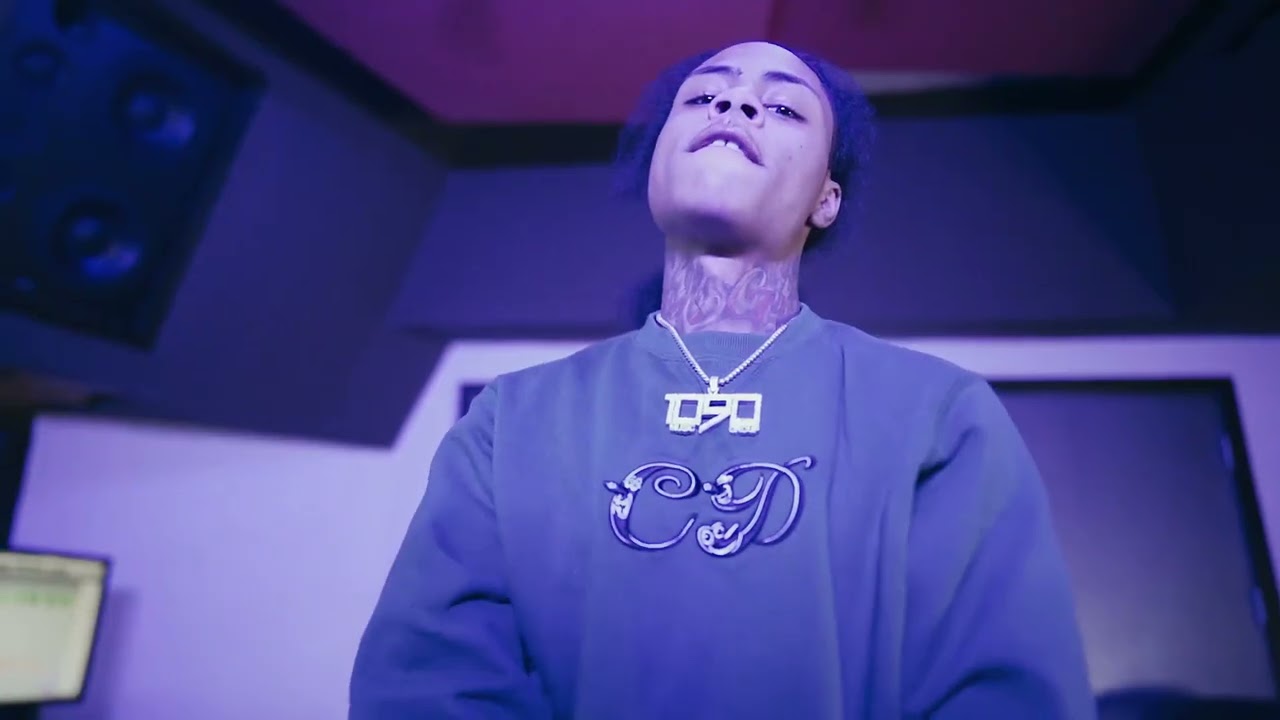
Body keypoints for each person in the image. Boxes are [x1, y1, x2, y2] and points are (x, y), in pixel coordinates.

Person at [349, 41, 1096, 719]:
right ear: (656, 164)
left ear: (826, 198)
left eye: (783, 107)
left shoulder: (939, 418)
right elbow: (426, 691)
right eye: (705, 96)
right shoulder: (512, 421)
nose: (735, 104)